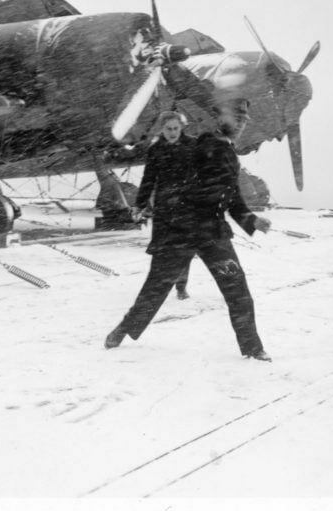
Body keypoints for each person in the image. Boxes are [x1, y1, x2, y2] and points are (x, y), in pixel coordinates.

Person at [105, 98, 273, 361]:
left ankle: (253, 347)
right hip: (179, 232)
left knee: (237, 289)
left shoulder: (225, 149)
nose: (241, 125)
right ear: (221, 120)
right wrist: (155, 207)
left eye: (243, 121)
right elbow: (168, 182)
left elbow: (231, 197)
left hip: (212, 233)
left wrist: (251, 220)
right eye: (236, 120)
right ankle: (125, 328)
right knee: (155, 288)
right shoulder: (201, 146)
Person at [133, 110, 196, 299]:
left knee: (184, 250)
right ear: (162, 129)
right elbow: (148, 179)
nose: (172, 132)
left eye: (176, 128)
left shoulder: (192, 146)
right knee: (161, 249)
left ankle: (181, 287)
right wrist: (139, 204)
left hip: (187, 206)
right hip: (163, 207)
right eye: (168, 129)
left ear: (181, 128)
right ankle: (156, 287)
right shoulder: (155, 150)